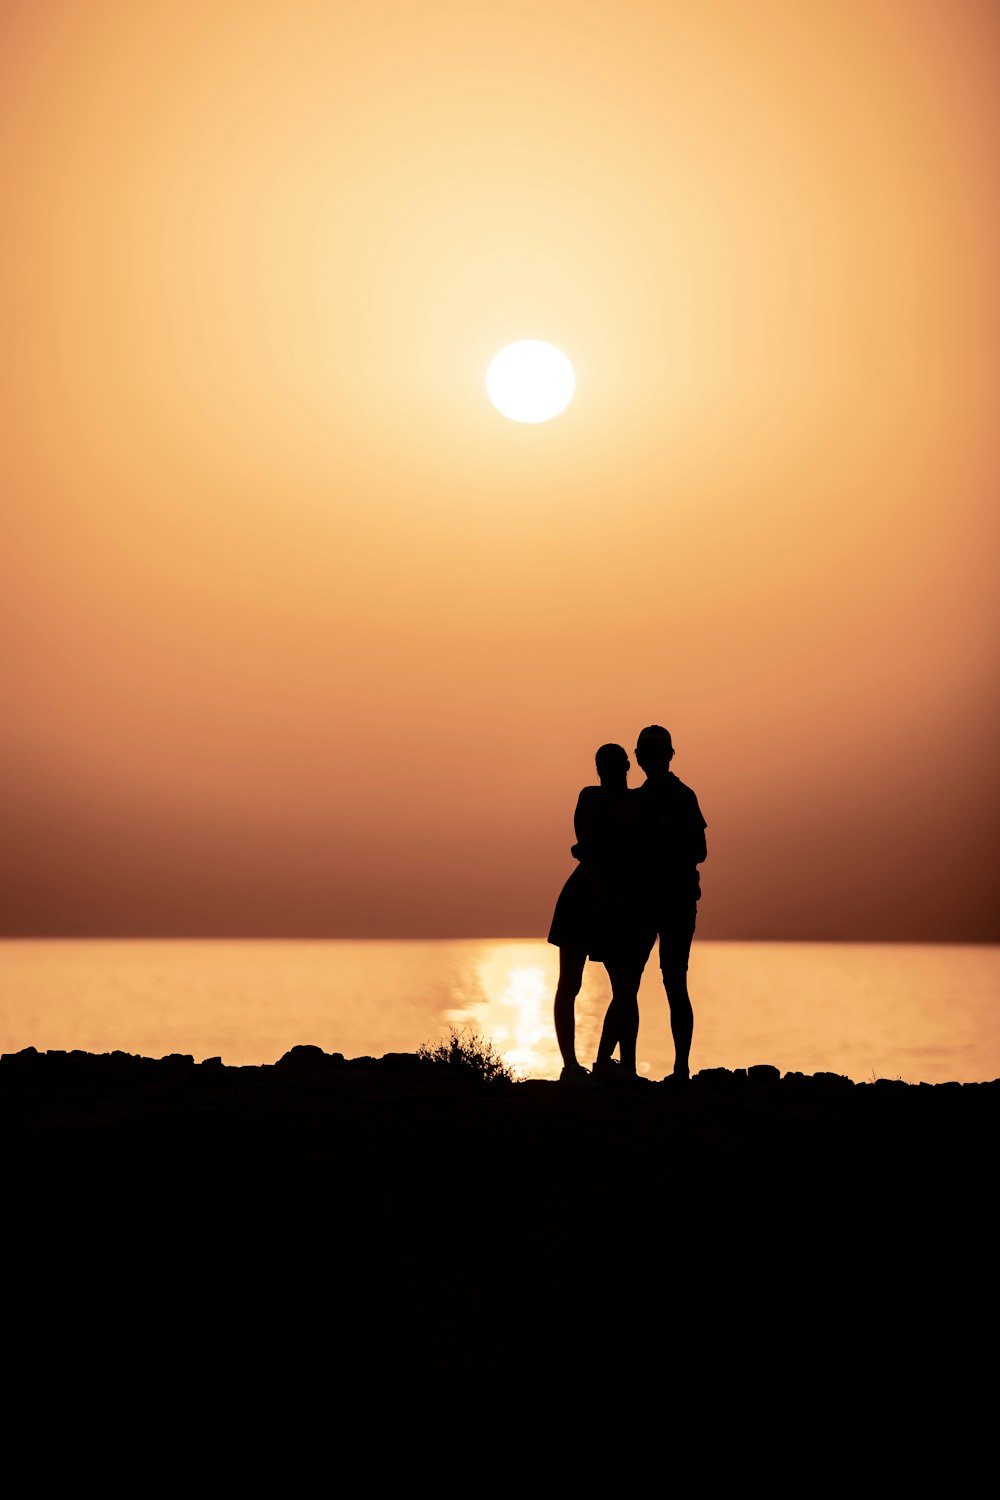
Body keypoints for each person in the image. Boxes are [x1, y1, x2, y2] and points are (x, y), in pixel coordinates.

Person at [547, 743, 642, 1083]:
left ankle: (606, 1061)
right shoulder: (589, 797)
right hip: (582, 898)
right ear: (598, 769)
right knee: (570, 983)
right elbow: (586, 848)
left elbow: (637, 854)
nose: (611, 771)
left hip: (620, 902)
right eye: (604, 765)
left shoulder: (637, 802)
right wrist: (602, 897)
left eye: (617, 764)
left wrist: (621, 897)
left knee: (625, 986)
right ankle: (570, 1065)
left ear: (627, 766)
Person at [627, 724, 707, 1084]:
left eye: (659, 752)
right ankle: (628, 1067)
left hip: (674, 903)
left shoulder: (683, 796)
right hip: (644, 902)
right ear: (640, 757)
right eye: (648, 752)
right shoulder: (637, 799)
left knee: (673, 982)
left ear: (667, 756)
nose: (653, 758)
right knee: (629, 982)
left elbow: (701, 851)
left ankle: (680, 1069)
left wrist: (662, 845)